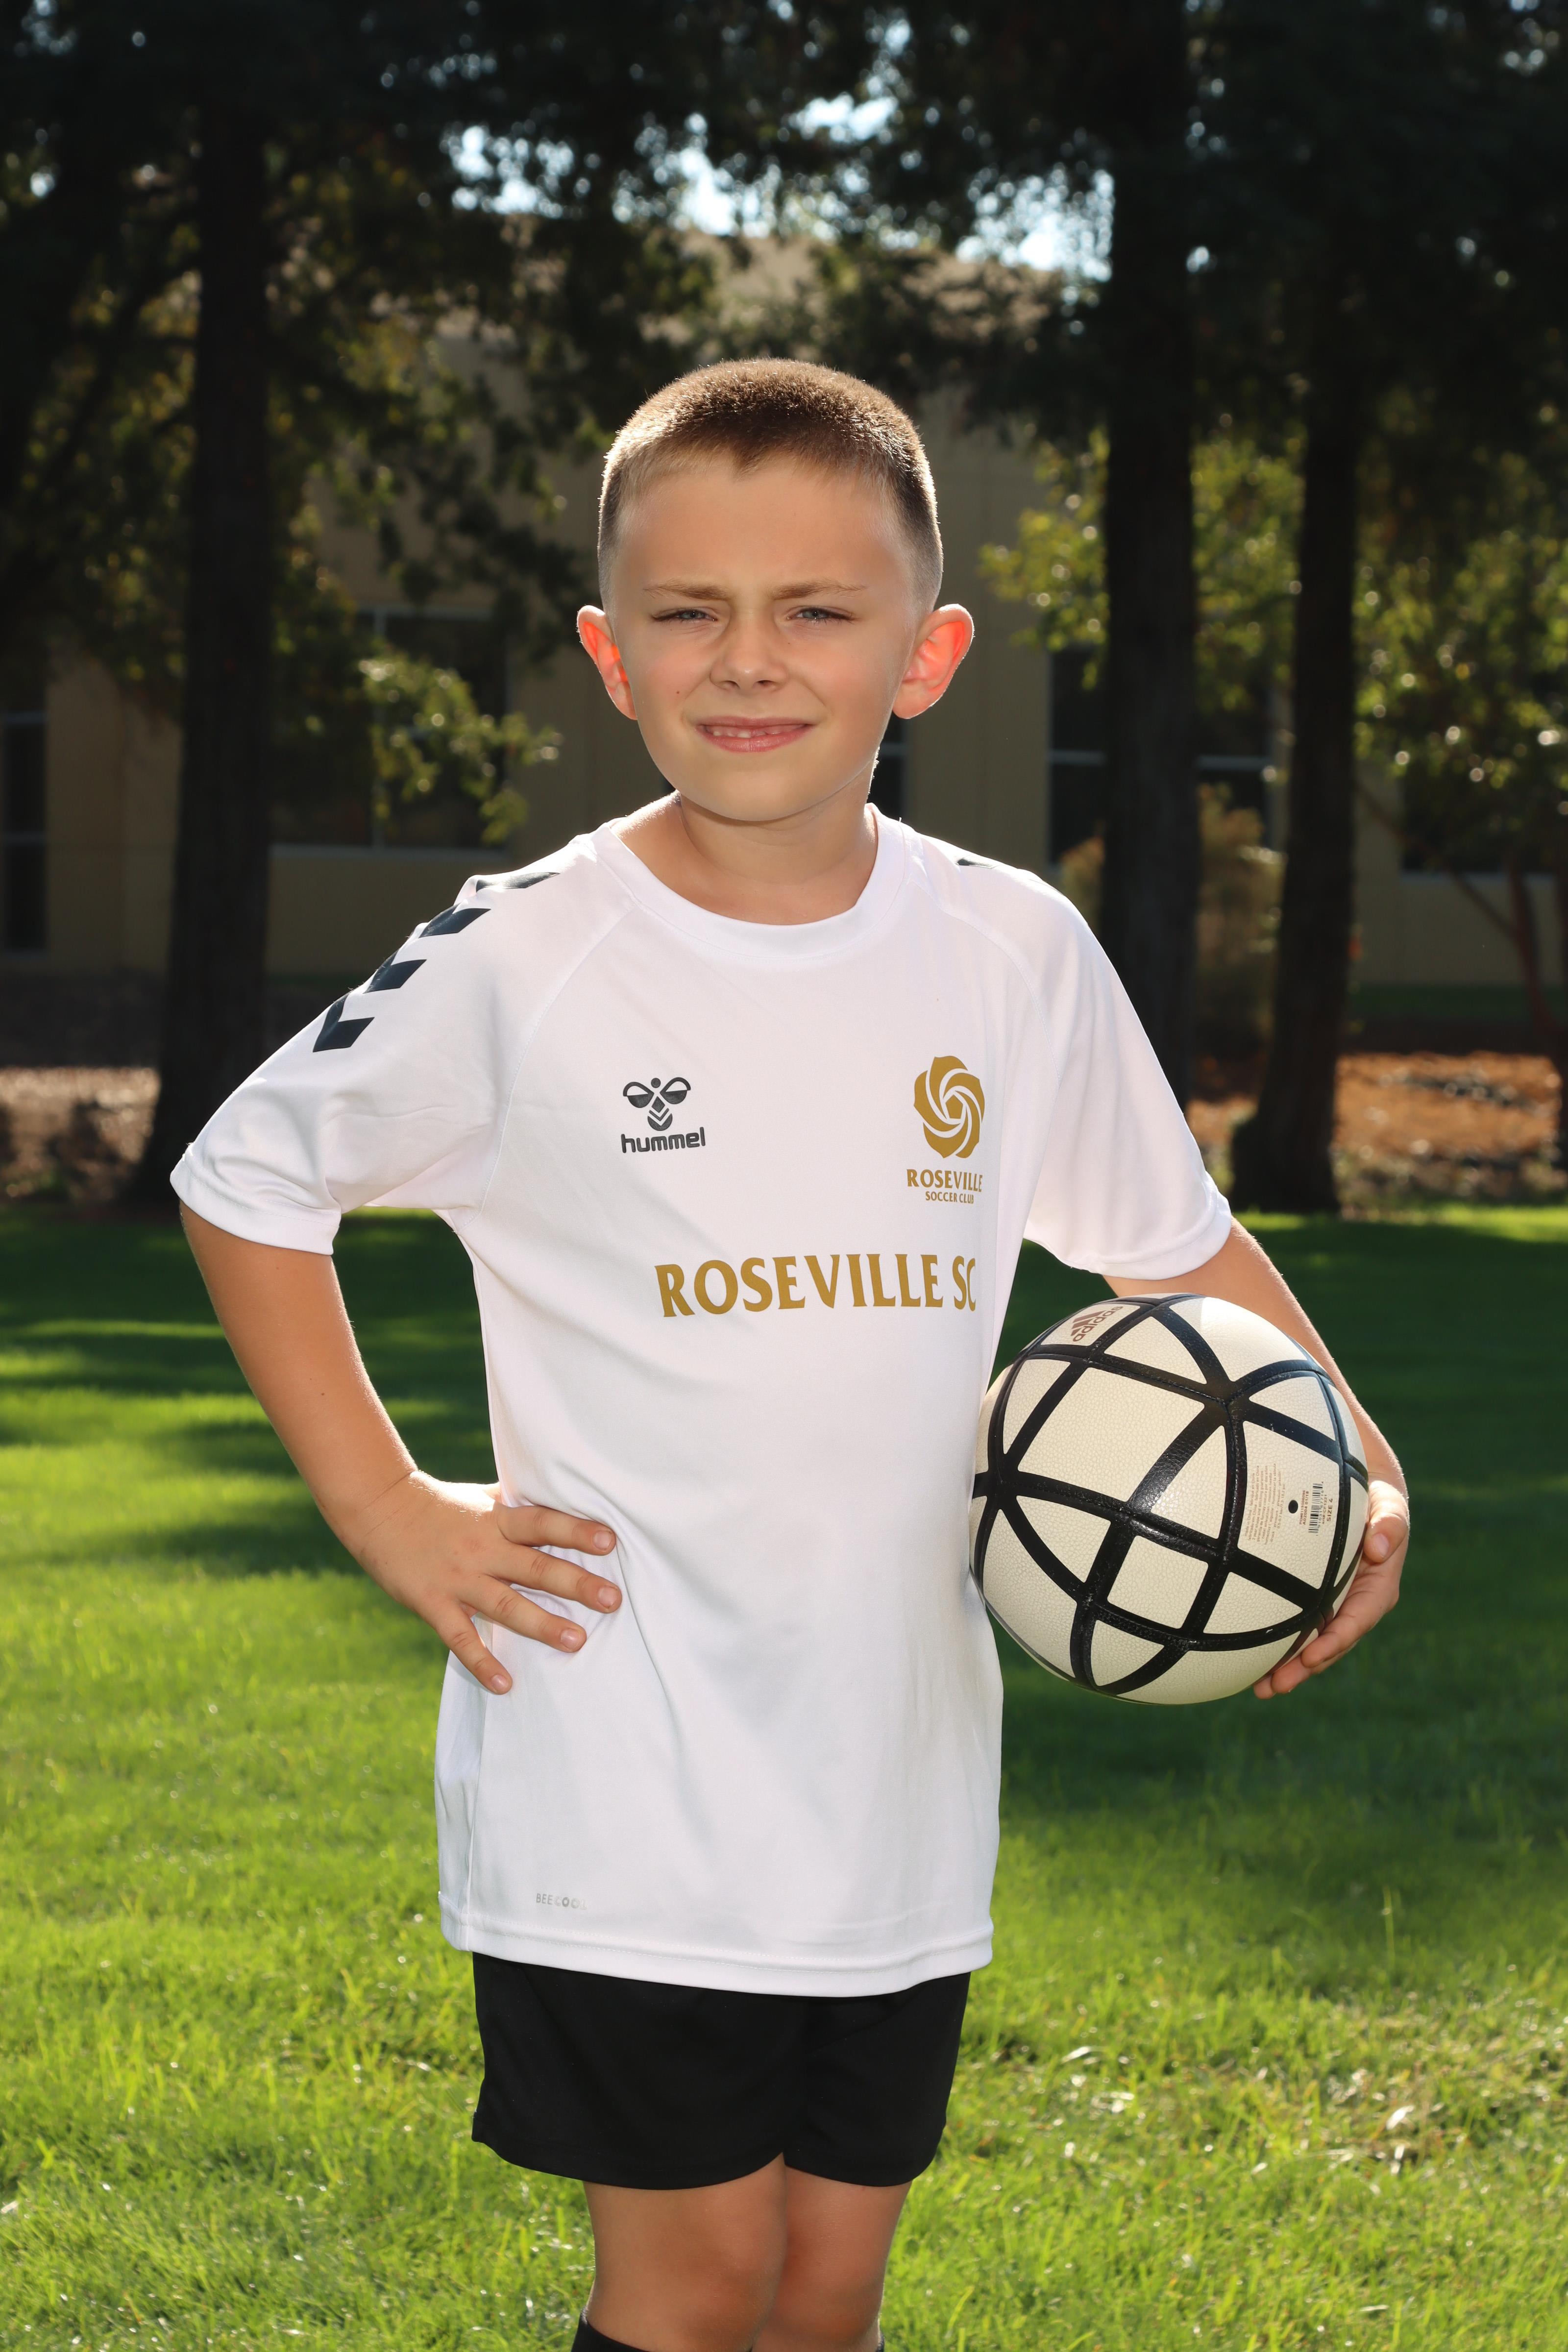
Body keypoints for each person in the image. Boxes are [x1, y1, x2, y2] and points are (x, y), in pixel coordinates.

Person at [174, 360, 1410, 2352]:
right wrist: (391, 1510)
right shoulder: (527, 952)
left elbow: (1174, 1244)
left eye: (815, 610)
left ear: (924, 655)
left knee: (824, 2294)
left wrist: (1357, 1464)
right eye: (690, 611)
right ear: (610, 654)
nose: (748, 660)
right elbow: (246, 1181)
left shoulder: (1009, 950)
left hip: (895, 1779)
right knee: (693, 2291)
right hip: (630, 1771)